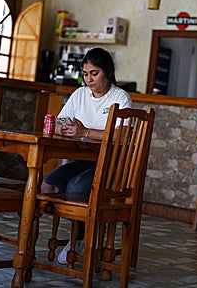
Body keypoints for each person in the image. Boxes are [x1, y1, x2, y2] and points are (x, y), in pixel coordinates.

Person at [40, 47, 132, 263]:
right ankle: (84, 231)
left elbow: (122, 134)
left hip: (107, 165)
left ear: (107, 72)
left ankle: (80, 238)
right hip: (79, 161)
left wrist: (84, 132)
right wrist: (66, 128)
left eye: (94, 73)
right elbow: (59, 122)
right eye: (85, 74)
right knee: (47, 186)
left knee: (76, 188)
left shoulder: (120, 97)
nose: (89, 79)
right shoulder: (79, 94)